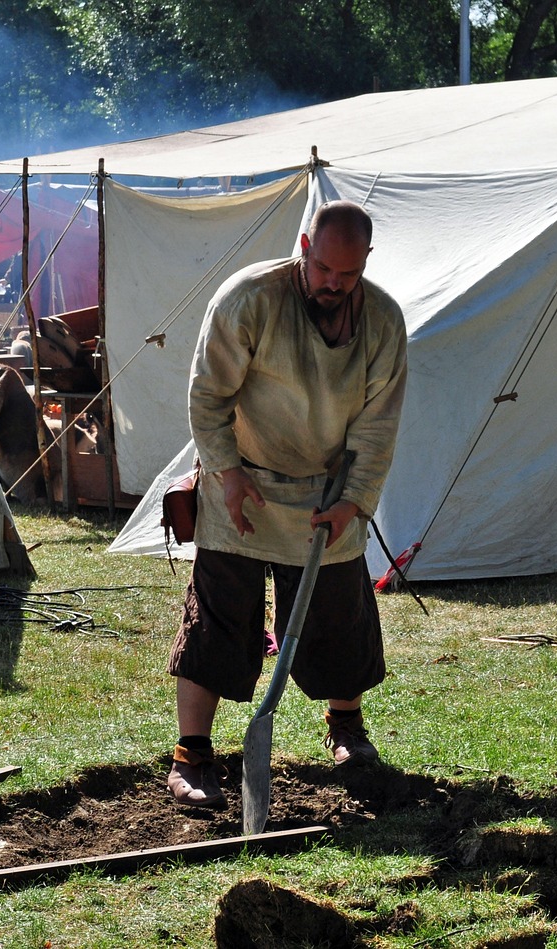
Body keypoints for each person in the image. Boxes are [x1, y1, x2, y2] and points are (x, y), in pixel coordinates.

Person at [166, 200, 408, 807]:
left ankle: (346, 729)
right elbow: (207, 397)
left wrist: (354, 501)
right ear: (304, 248)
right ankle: (192, 755)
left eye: (348, 274)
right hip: (240, 484)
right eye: (323, 268)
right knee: (218, 618)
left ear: (366, 262)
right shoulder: (249, 299)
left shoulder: (382, 320)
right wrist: (226, 473)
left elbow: (378, 425)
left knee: (339, 618)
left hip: (327, 495)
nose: (334, 283)